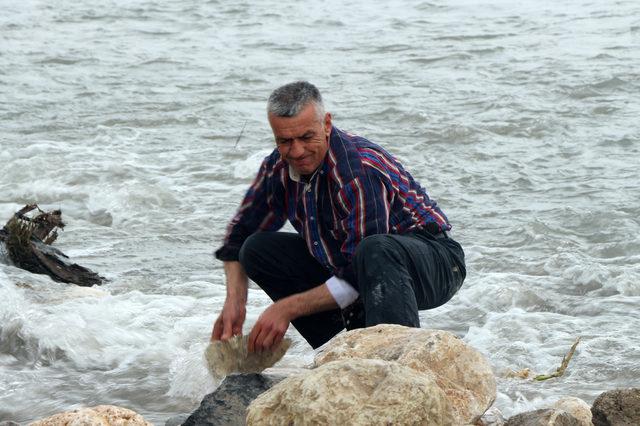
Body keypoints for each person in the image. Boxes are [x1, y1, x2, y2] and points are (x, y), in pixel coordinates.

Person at [211, 81, 465, 353]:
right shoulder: (278, 167)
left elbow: (359, 272)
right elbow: (238, 238)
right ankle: (338, 348)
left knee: (375, 250)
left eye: (307, 137)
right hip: (353, 264)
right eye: (285, 141)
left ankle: (395, 356)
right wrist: (235, 302)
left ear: (327, 124)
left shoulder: (358, 170)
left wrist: (285, 309)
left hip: (435, 262)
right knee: (256, 249)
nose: (296, 152)